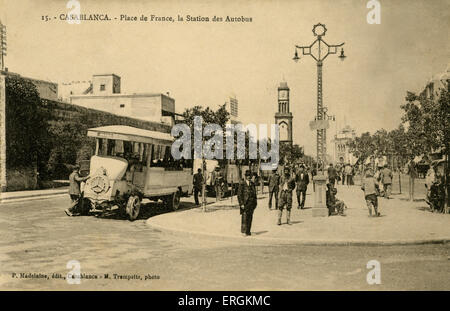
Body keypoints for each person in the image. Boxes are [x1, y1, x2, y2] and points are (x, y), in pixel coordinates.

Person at [238, 170, 258, 236]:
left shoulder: (252, 184)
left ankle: (248, 231)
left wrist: (255, 202)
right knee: (244, 217)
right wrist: (241, 204)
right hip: (245, 203)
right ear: (245, 176)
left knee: (250, 217)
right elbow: (239, 195)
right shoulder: (242, 184)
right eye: (248, 176)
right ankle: (244, 231)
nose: (249, 177)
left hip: (251, 203)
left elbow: (255, 193)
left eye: (250, 176)